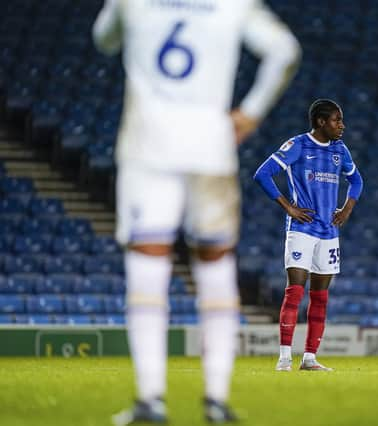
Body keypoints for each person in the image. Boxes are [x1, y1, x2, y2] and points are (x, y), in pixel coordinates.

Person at [92, 0, 301, 423]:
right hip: (210, 146)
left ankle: (150, 400)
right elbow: (285, 50)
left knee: (147, 265)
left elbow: (104, 40)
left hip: (147, 146)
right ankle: (216, 401)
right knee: (215, 266)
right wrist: (251, 113)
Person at [253, 99, 363, 372]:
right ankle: (284, 357)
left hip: (329, 232)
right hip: (302, 230)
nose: (342, 125)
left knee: (321, 297)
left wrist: (347, 208)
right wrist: (288, 207)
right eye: (337, 120)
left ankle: (310, 358)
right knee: (294, 292)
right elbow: (263, 174)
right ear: (320, 122)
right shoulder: (298, 145)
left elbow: (357, 180)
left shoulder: (340, 149)